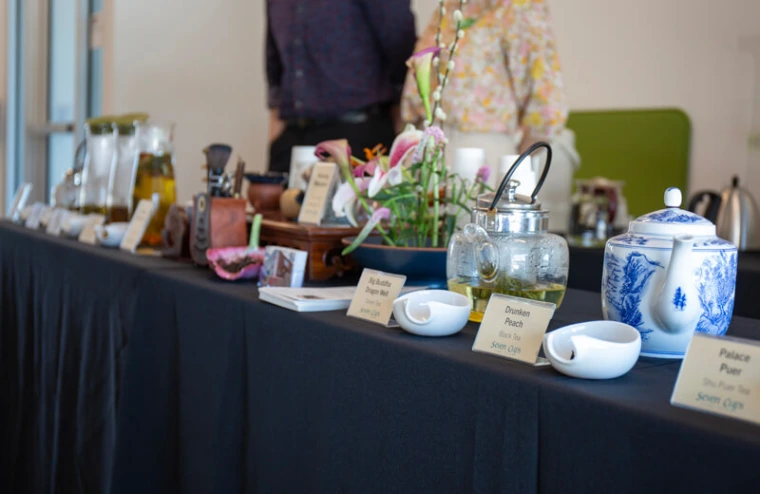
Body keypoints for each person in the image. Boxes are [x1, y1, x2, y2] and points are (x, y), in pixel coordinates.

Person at [401, 0, 577, 232]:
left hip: (484, 155)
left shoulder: (520, 6)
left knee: (474, 250)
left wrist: (519, 170)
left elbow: (544, 95)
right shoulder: (449, 7)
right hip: (428, 152)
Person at [401, 0, 568, 163]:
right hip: (424, 148)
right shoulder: (451, 6)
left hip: (481, 153)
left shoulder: (522, 6)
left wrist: (515, 164)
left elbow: (547, 103)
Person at [266, 0, 417, 173]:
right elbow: (274, 70)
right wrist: (274, 141)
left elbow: (401, 49)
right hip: (292, 138)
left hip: (357, 134)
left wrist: (401, 134)